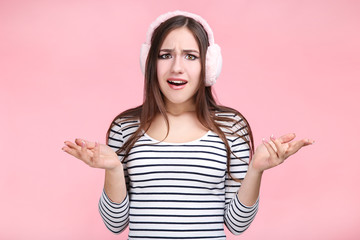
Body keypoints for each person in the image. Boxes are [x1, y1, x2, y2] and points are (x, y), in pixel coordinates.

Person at [62, 10, 314, 240]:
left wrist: (255, 170)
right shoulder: (125, 127)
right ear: (150, 63)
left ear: (208, 66)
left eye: (190, 56)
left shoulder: (231, 127)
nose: (177, 67)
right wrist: (114, 169)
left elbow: (237, 225)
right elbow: (115, 224)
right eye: (165, 55)